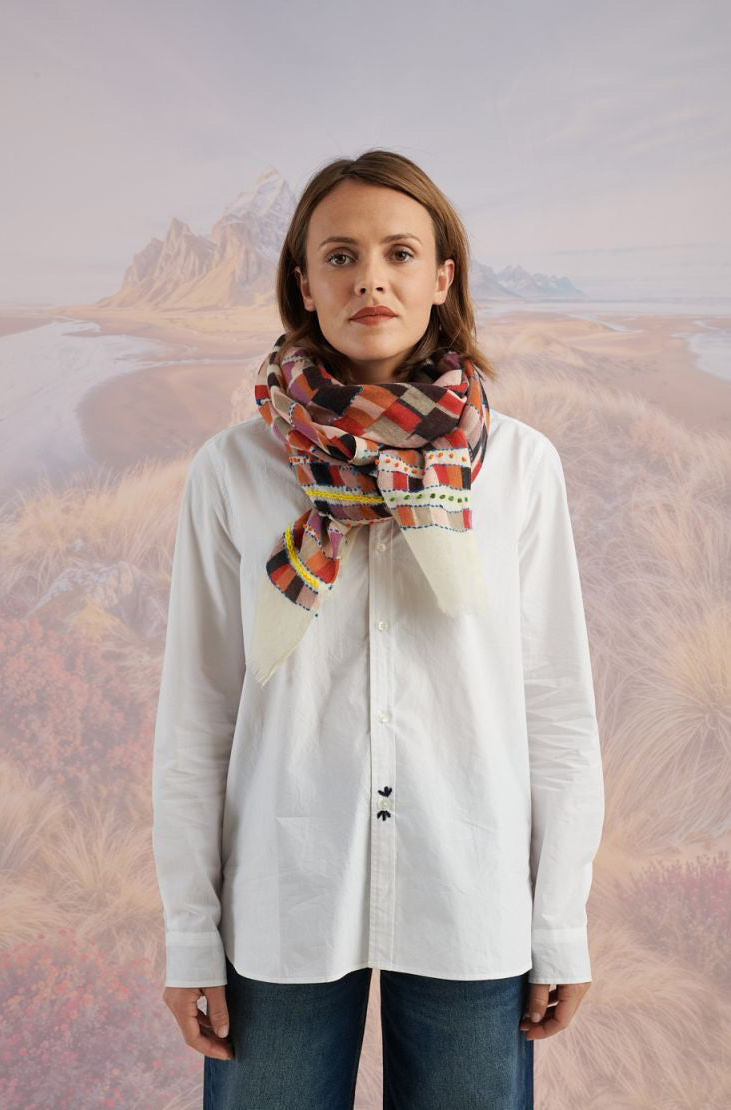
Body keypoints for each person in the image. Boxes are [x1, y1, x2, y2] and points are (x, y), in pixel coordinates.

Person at [151, 148, 606, 1109]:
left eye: (401, 253)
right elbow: (198, 714)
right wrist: (191, 929)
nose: (371, 278)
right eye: (342, 255)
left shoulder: (518, 467)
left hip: (470, 897)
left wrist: (559, 919)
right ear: (303, 284)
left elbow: (555, 704)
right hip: (282, 907)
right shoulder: (233, 469)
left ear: (442, 280)